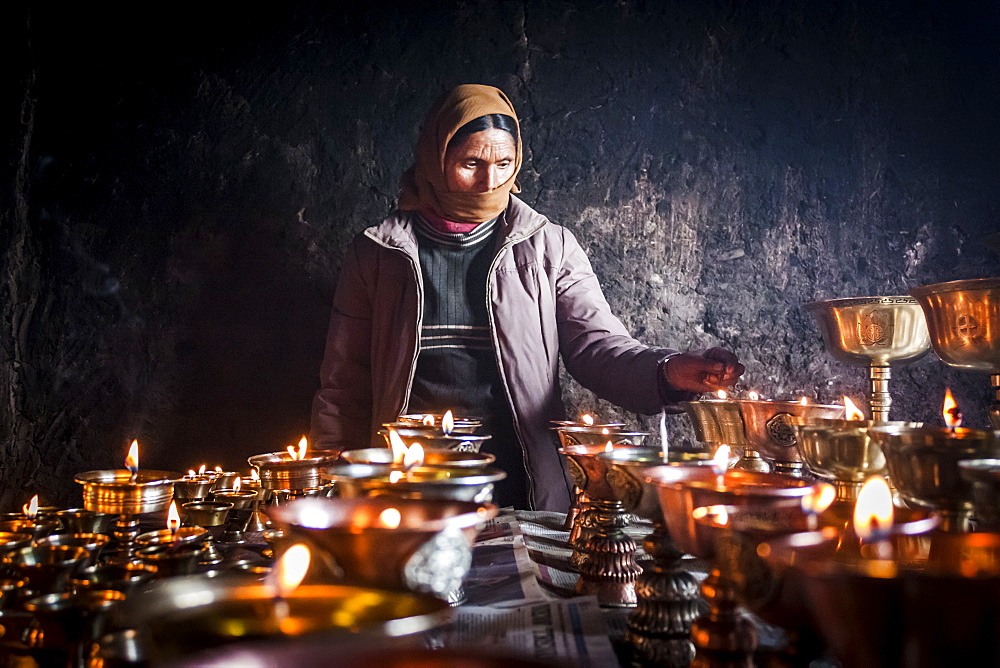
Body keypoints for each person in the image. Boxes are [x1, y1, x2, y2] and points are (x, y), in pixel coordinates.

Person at [310, 84, 744, 512]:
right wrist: (333, 488)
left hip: (521, 475)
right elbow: (344, 387)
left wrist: (669, 370)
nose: (489, 181)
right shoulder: (379, 254)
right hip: (410, 482)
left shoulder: (549, 247)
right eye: (471, 162)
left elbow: (599, 347)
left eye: (504, 163)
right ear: (434, 157)